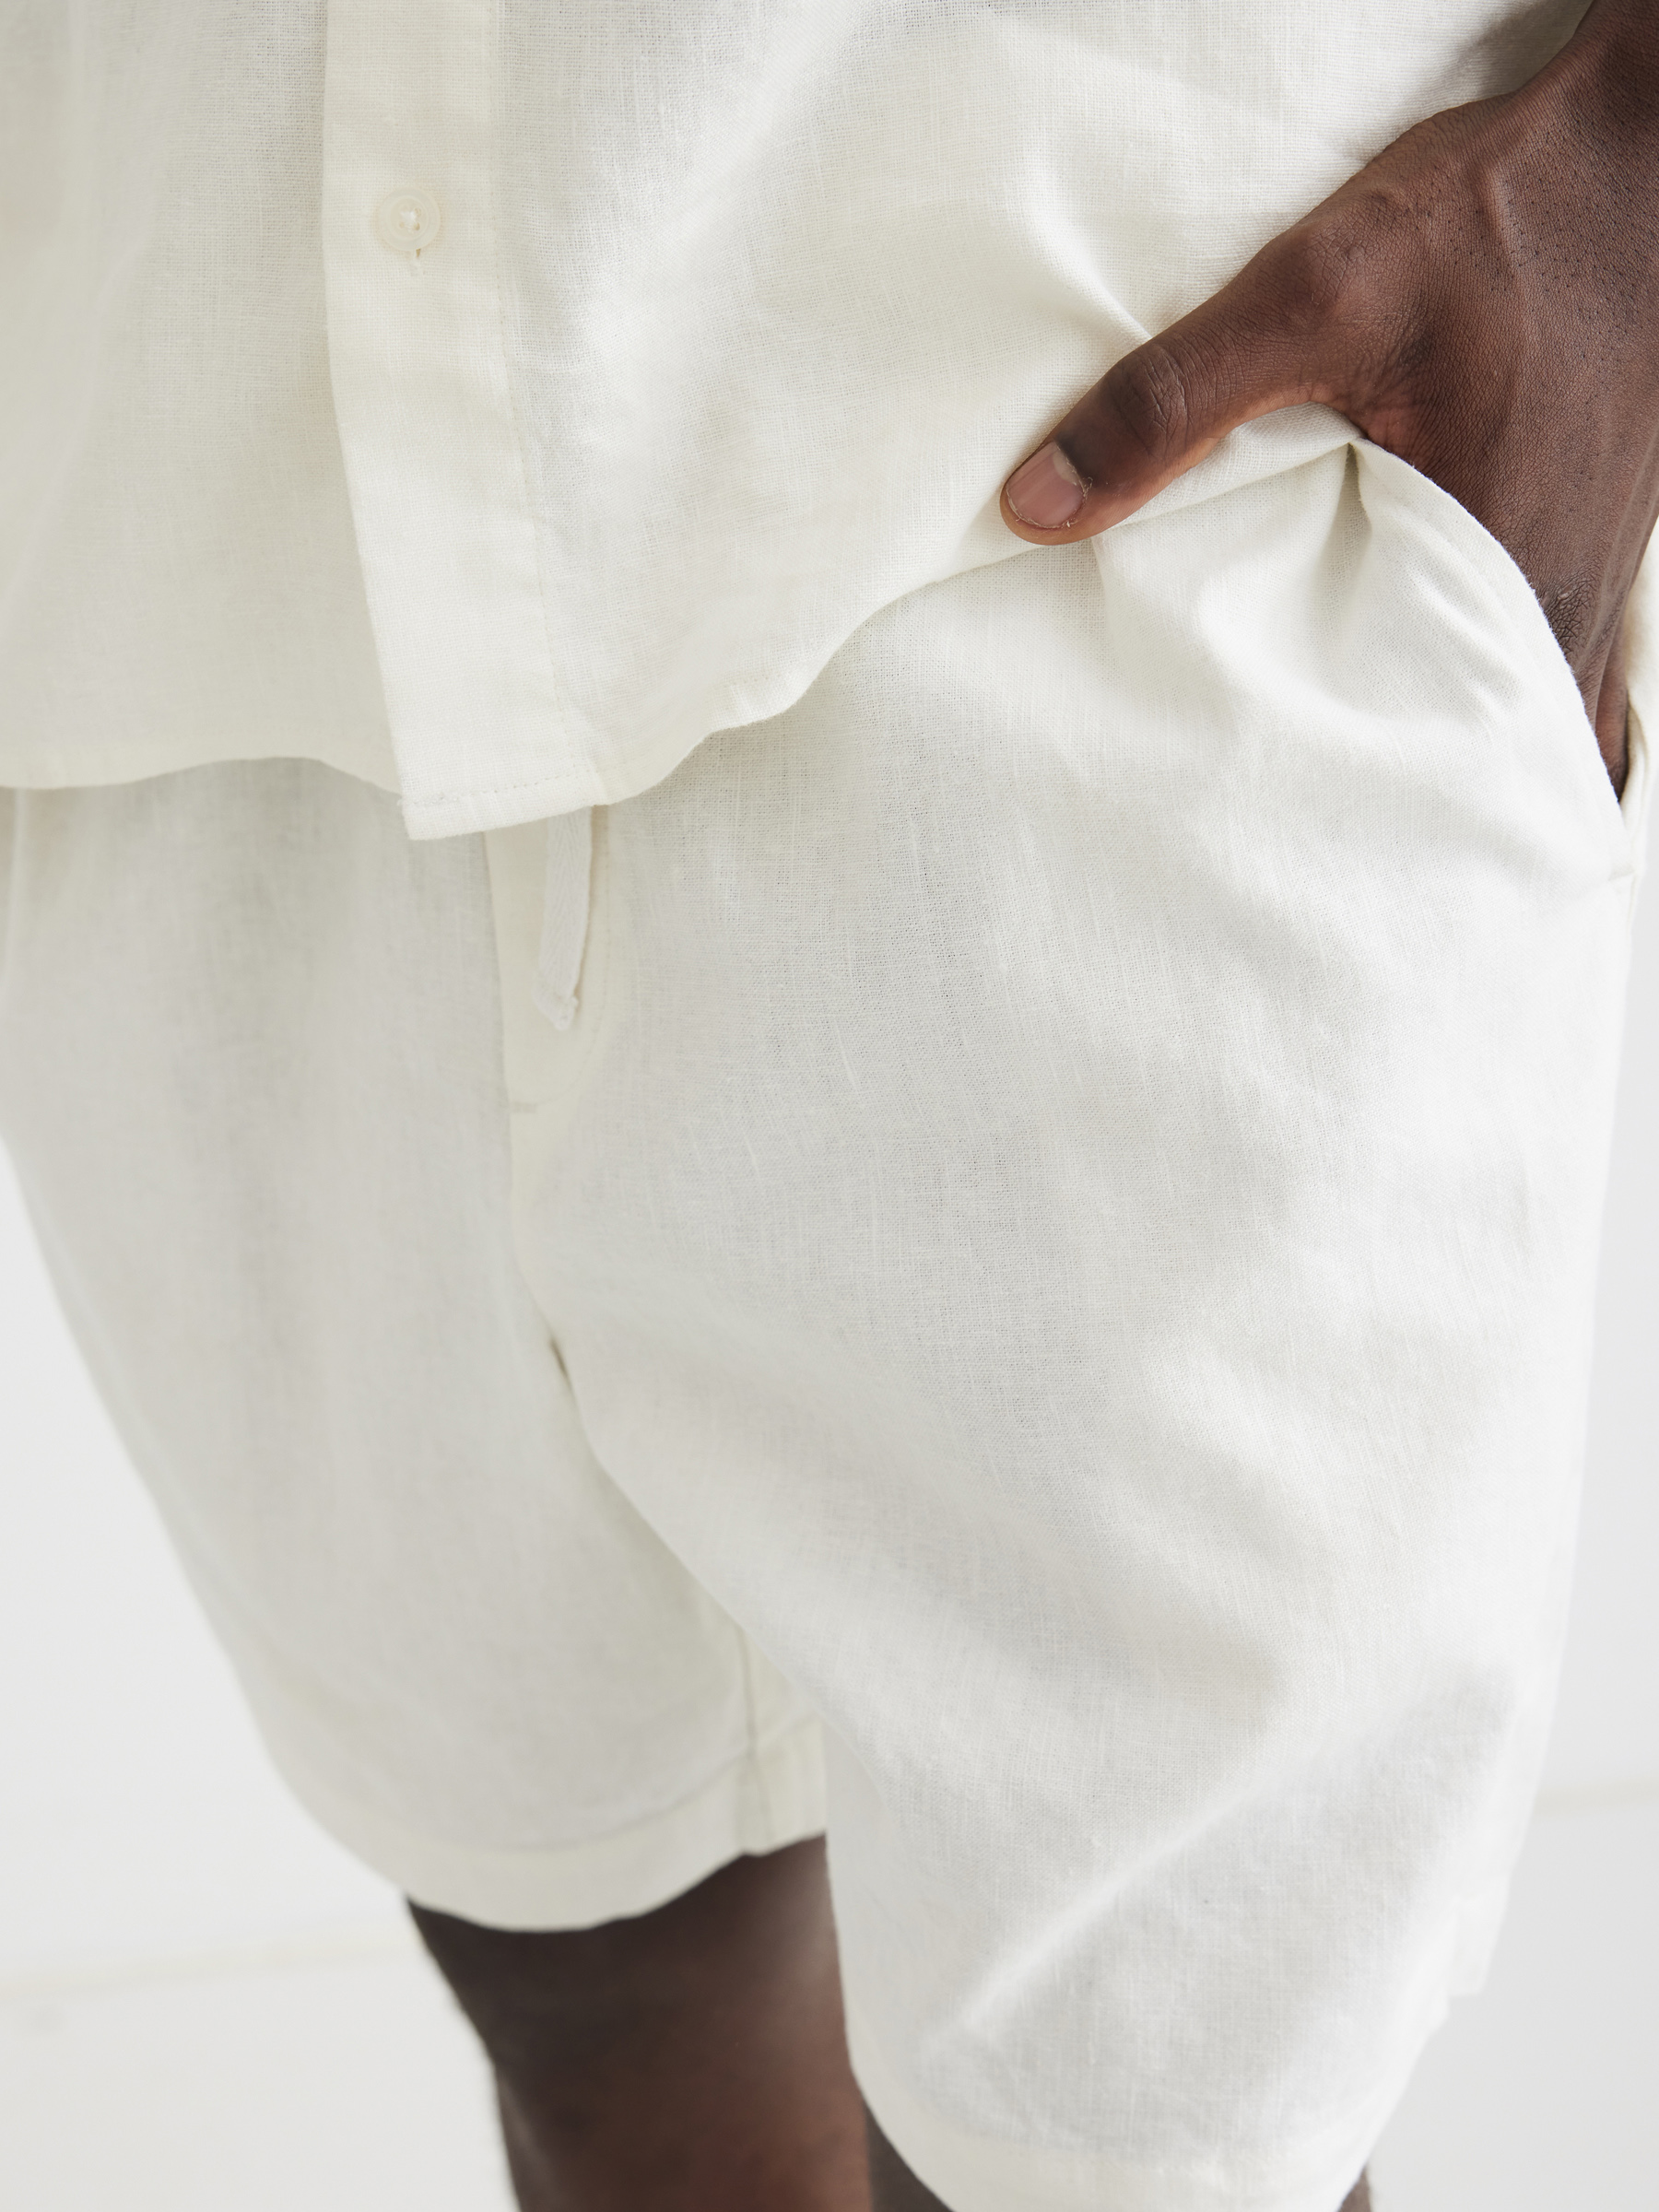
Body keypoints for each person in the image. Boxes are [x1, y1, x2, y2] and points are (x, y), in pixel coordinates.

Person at [1, 2, 1653, 2206]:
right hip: (184, 539)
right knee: (578, 1967)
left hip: (1077, 453)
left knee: (1157, 2136)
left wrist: (1634, 170)